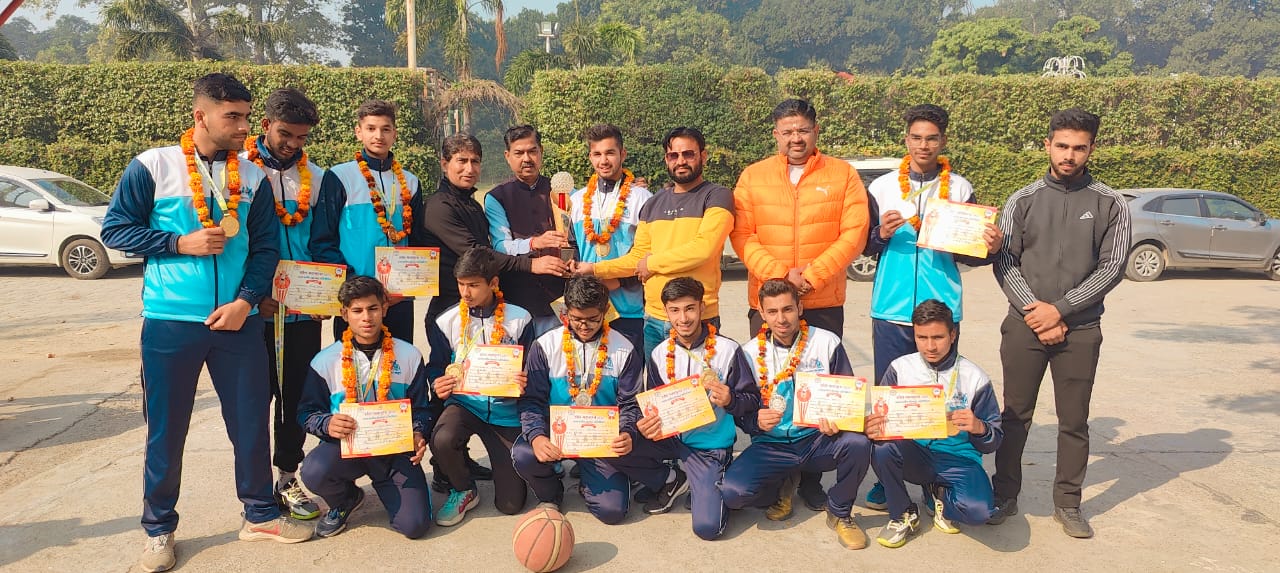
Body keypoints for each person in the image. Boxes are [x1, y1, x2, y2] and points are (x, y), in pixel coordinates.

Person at [101, 73, 310, 573]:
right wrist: (178, 243)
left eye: (246, 116)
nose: (243, 127)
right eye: (231, 117)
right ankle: (159, 529)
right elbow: (115, 230)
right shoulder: (153, 166)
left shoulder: (252, 177)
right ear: (201, 115)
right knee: (166, 430)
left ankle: (259, 514)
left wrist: (245, 301)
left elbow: (265, 249)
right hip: (170, 321)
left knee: (250, 424)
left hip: (237, 321)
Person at [990, 108, 1131, 539]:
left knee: (1074, 420)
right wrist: (1037, 311)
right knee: (1015, 416)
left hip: (1081, 329)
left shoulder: (1111, 203)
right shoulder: (1022, 199)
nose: (1069, 155)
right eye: (1062, 146)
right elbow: (1005, 261)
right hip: (1024, 325)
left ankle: (1068, 503)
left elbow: (1112, 267)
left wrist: (1063, 309)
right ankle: (1005, 494)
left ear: (1092, 149)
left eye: (1079, 148)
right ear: (1048, 145)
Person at [861, 104, 1003, 510]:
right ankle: (888, 477)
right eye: (916, 137)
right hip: (891, 307)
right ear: (906, 139)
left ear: (943, 141)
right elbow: (864, 245)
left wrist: (991, 247)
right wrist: (880, 234)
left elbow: (972, 253)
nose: (923, 145)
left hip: (941, 308)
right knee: (891, 396)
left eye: (932, 138)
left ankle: (934, 472)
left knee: (940, 392)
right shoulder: (882, 187)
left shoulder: (959, 187)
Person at [730, 98, 870, 512]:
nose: (796, 138)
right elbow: (742, 235)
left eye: (803, 130)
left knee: (820, 390)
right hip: (769, 299)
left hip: (822, 298)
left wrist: (812, 276)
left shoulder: (842, 174)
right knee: (766, 386)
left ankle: (810, 476)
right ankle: (777, 472)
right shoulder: (753, 176)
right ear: (776, 134)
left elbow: (854, 232)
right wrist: (779, 278)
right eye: (787, 131)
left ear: (815, 131)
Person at [719, 279, 873, 550]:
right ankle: (782, 483)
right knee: (734, 494)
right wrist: (755, 421)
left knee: (858, 444)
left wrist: (838, 422)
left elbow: (848, 396)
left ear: (799, 308)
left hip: (816, 440)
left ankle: (840, 511)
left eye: (787, 309)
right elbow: (743, 408)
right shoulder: (750, 353)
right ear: (762, 313)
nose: (781, 319)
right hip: (772, 444)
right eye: (773, 311)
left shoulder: (826, 342)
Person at [610, 277, 759, 541]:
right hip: (671, 440)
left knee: (707, 528)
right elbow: (653, 405)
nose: (683, 318)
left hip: (709, 447)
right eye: (675, 310)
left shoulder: (727, 349)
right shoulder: (659, 353)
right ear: (666, 312)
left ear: (702, 307)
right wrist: (643, 425)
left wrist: (731, 399)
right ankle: (670, 478)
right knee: (614, 444)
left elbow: (752, 400)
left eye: (690, 308)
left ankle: (712, 478)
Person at [575, 127, 735, 358]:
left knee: (698, 381)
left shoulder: (717, 196)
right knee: (655, 382)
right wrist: (595, 269)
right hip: (653, 319)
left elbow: (703, 249)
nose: (681, 161)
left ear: (703, 156)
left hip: (695, 316)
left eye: (688, 154)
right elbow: (637, 256)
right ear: (666, 159)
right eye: (673, 155)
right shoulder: (654, 203)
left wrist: (651, 264)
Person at [241, 87, 324, 521]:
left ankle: (287, 477)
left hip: (303, 312)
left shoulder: (318, 178)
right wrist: (254, 295)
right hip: (254, 311)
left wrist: (326, 294)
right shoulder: (238, 173)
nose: (293, 144)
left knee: (295, 400)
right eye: (285, 134)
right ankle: (255, 490)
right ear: (265, 125)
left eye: (301, 137)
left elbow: (325, 242)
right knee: (254, 401)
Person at [296, 276, 432, 539]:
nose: (366, 318)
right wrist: (327, 423)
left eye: (372, 308)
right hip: (347, 448)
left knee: (415, 526)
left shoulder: (409, 355)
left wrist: (418, 432)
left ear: (385, 308)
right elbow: (306, 413)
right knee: (315, 471)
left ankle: (394, 488)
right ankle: (346, 498)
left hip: (394, 451)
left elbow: (422, 409)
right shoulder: (325, 361)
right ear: (344, 314)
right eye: (357, 310)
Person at [866, 300, 1003, 548]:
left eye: (938, 337)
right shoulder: (900, 368)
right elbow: (880, 418)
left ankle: (940, 495)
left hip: (958, 459)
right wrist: (873, 426)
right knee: (881, 447)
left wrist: (979, 427)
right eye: (922, 337)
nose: (930, 346)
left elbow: (994, 439)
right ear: (914, 335)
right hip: (914, 453)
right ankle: (903, 512)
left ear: (953, 335)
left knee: (979, 513)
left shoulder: (975, 377)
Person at [513, 276, 644, 523]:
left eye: (593, 319)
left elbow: (630, 403)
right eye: (576, 319)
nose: (584, 326)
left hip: (600, 439)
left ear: (605, 311)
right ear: (565, 312)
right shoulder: (545, 345)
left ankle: (588, 479)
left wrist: (628, 432)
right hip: (557, 432)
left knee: (613, 512)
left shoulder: (624, 349)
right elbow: (532, 401)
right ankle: (551, 492)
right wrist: (537, 436)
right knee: (524, 454)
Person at [426, 247, 536, 526]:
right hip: (465, 405)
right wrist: (437, 381)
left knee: (511, 505)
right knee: (442, 437)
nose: (466, 292)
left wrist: (525, 380)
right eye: (461, 284)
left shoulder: (520, 318)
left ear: (493, 283)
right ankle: (464, 489)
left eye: (473, 285)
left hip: (505, 411)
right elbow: (436, 364)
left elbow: (531, 366)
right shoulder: (446, 320)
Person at [417, 133, 568, 326]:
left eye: (475, 161)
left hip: (482, 307)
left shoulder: (471, 205)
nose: (469, 169)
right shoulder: (439, 207)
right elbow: (478, 254)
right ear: (445, 164)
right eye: (462, 161)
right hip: (451, 310)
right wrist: (531, 264)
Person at [309, 99, 424, 342]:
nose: (378, 136)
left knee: (399, 359)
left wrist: (408, 284)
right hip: (356, 299)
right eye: (371, 128)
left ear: (394, 134)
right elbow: (323, 239)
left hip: (397, 298)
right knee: (351, 362)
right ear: (358, 132)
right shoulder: (340, 176)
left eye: (385, 129)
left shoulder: (410, 182)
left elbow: (417, 239)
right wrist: (352, 283)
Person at [568, 124, 652, 351]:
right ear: (590, 157)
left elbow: (648, 254)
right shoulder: (578, 200)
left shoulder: (642, 198)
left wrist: (619, 281)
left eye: (610, 153)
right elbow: (573, 245)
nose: (603, 160)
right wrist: (572, 264)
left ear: (622, 154)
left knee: (628, 370)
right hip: (586, 310)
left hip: (628, 310)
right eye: (597, 154)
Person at [484, 125, 572, 332]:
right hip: (518, 296)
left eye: (532, 151)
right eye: (519, 153)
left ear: (541, 152)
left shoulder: (561, 192)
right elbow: (500, 246)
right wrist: (534, 243)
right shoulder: (497, 197)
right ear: (507, 156)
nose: (527, 158)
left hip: (560, 295)